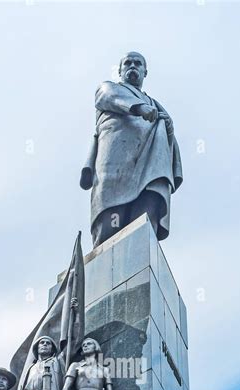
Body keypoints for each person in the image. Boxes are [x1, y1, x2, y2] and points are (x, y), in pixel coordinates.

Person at [81, 51, 183, 247]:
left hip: (151, 167)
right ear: (120, 71)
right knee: (110, 221)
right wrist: (138, 108)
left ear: (145, 72)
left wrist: (168, 128)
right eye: (128, 63)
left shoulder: (157, 106)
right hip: (115, 161)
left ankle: (141, 255)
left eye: (138, 63)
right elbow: (109, 96)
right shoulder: (109, 88)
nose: (133, 66)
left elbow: (170, 145)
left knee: (144, 223)